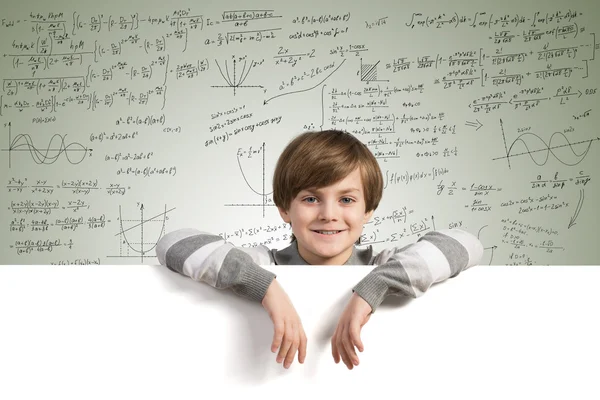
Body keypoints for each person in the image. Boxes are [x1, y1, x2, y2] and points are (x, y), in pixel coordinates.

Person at [156, 129, 484, 371]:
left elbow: (468, 243)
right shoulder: (263, 264)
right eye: (311, 198)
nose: (329, 214)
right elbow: (173, 242)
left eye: (347, 199)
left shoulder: (383, 266)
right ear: (285, 208)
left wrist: (375, 287)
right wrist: (266, 287)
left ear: (368, 210)